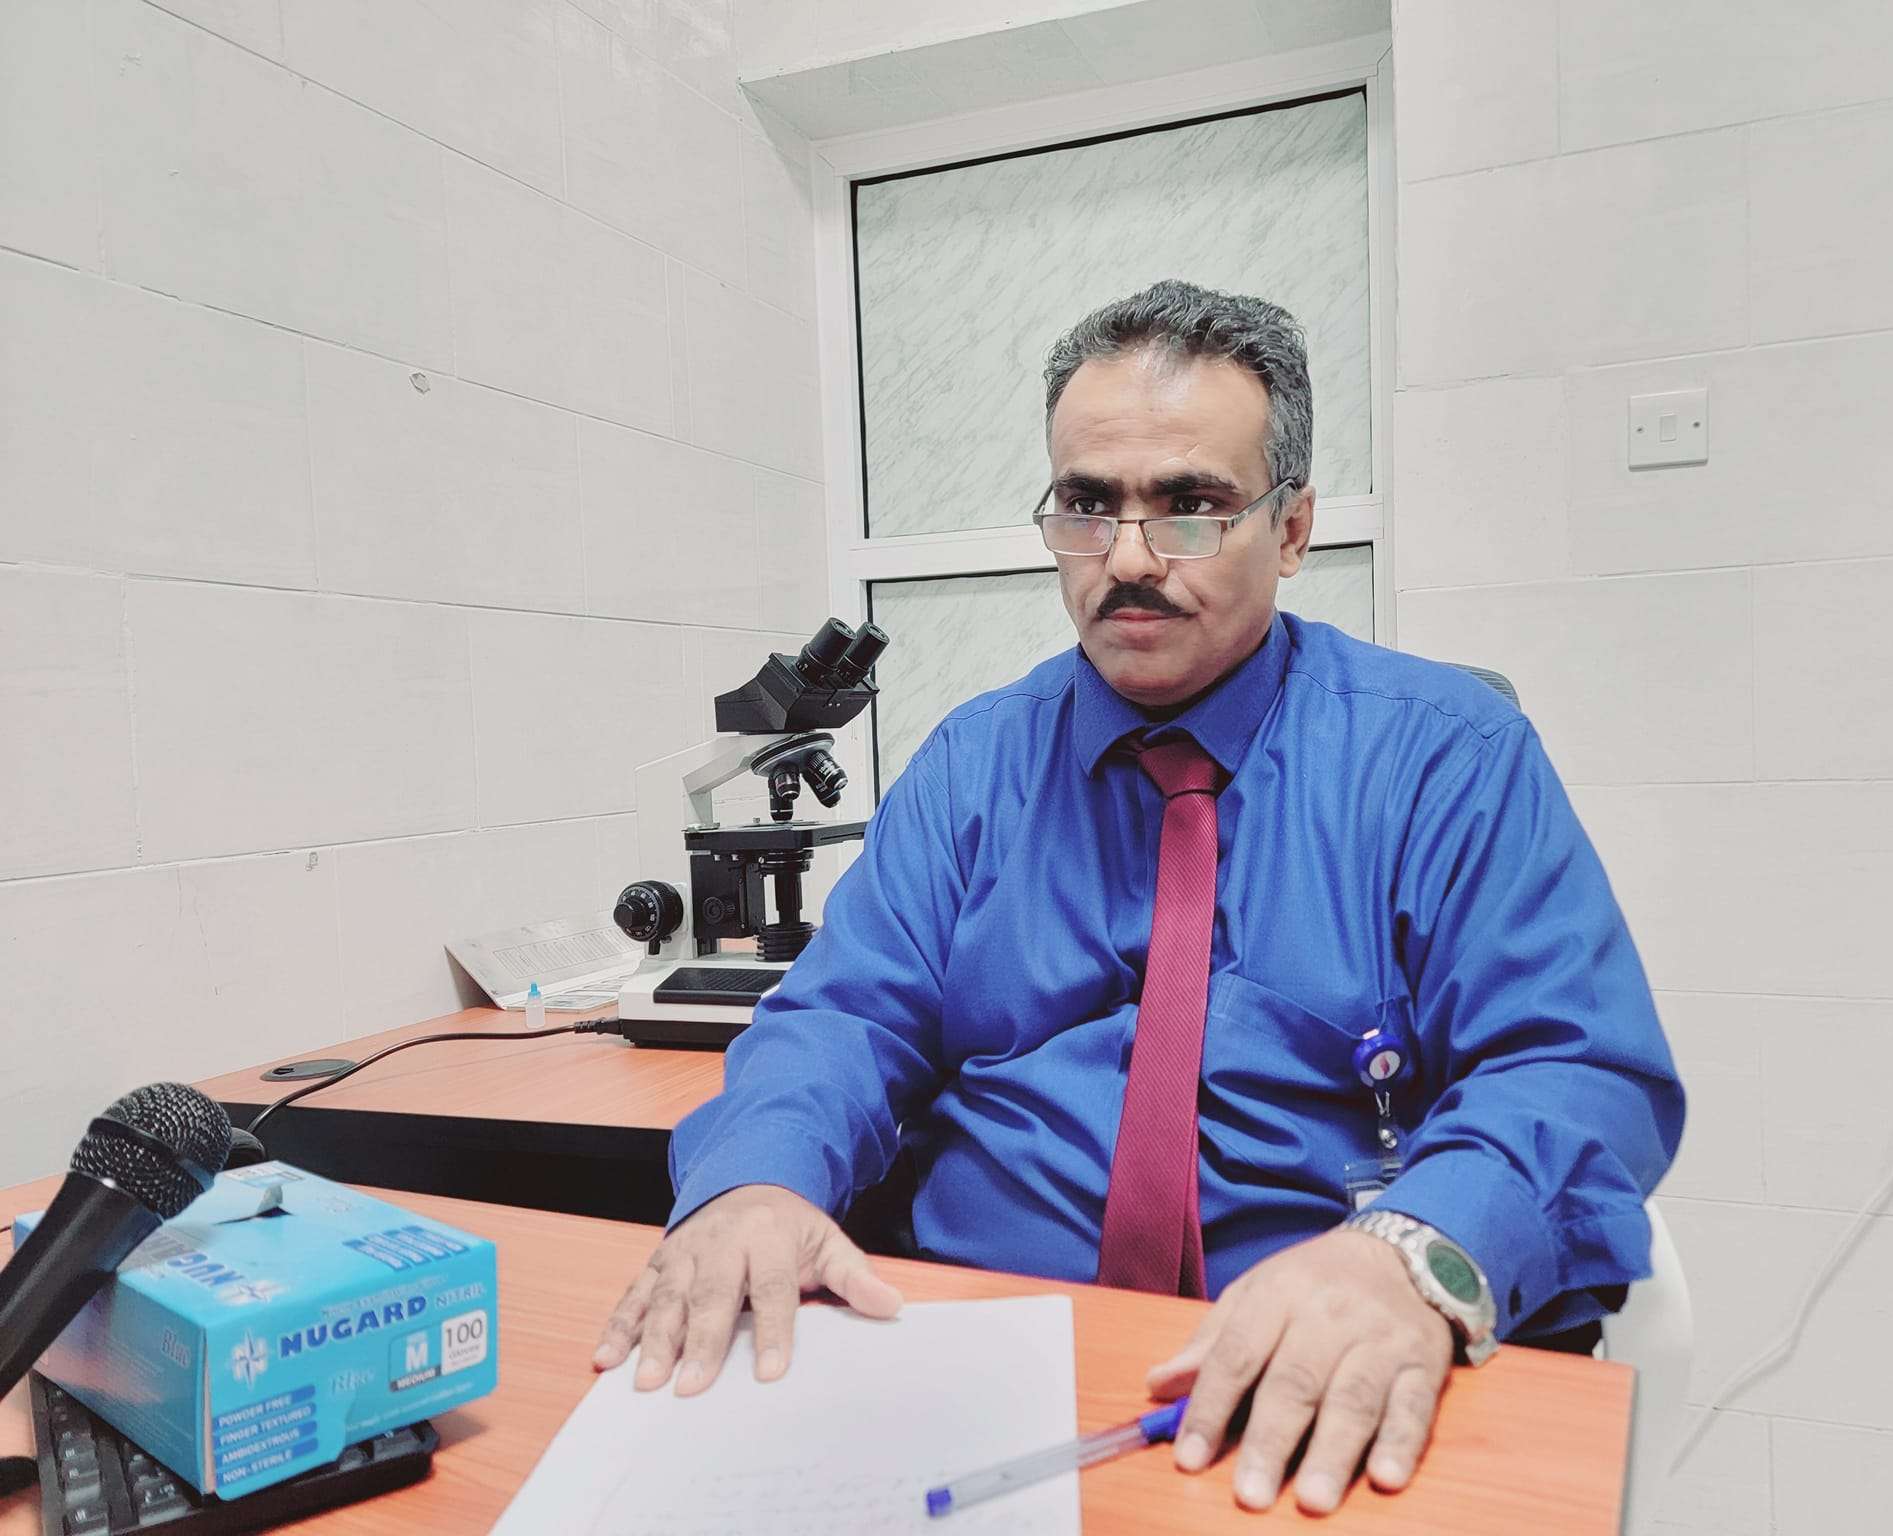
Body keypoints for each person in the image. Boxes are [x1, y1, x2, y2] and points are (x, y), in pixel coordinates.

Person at [593, 279, 1683, 1515]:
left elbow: (1573, 1068)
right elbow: (844, 1021)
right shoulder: (972, 766)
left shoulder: (1444, 757)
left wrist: (1409, 1258)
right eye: (1086, 504)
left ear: (1291, 527)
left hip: (1319, 1371)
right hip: (968, 1360)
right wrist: (758, 1180)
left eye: (1190, 507)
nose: (1125, 558)